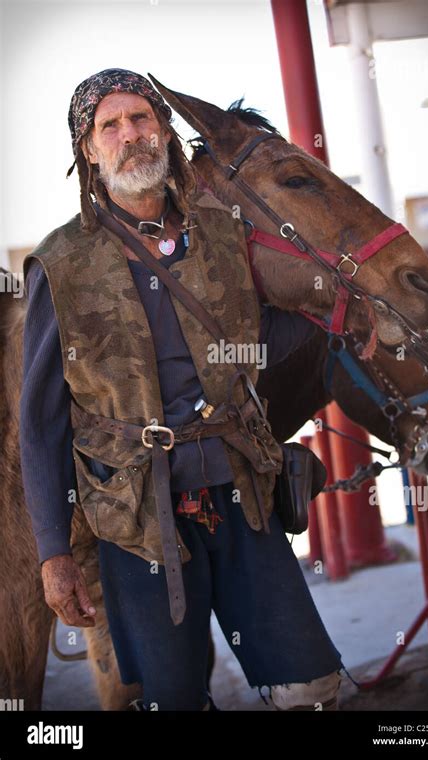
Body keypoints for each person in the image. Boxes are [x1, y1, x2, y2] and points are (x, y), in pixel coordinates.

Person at [20, 68, 343, 711]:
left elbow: (255, 346)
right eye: (109, 126)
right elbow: (42, 423)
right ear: (88, 150)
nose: (129, 135)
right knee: (171, 700)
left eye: (141, 118)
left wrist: (341, 310)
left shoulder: (222, 232)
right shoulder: (61, 264)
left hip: (241, 490)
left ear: (165, 131)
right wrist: (55, 553)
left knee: (310, 685)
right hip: (137, 515)